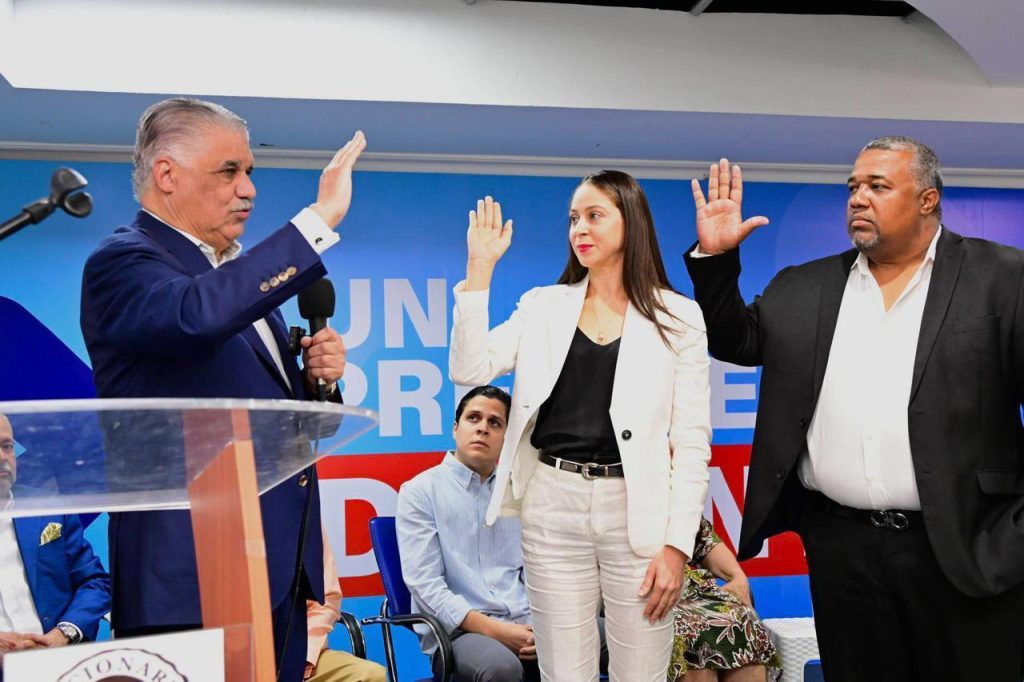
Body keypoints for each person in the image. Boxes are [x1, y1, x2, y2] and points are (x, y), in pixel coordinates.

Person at [683, 137, 1024, 681]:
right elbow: (735, 341)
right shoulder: (805, 285)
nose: (858, 198)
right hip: (843, 550)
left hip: (968, 546)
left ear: (928, 200)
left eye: (878, 186)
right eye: (853, 187)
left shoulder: (1002, 278)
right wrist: (717, 260)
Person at [80, 97, 364, 679]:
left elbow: (269, 415)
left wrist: (316, 384)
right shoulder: (124, 261)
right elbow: (196, 317)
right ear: (167, 175)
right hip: (189, 575)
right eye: (229, 170)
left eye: (249, 171)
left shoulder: (230, 273)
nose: (248, 189)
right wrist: (316, 222)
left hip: (273, 571)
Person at [449, 172, 713, 682]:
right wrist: (479, 271)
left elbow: (692, 443)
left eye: (594, 216)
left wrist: (677, 545)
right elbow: (469, 368)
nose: (579, 229)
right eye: (573, 218)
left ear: (631, 222)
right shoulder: (542, 306)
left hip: (637, 512)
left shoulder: (679, 317)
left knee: (642, 674)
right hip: (552, 503)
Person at [397, 385, 540, 682]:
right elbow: (425, 584)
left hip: (530, 622)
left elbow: (538, 572)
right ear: (455, 428)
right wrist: (500, 631)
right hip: (460, 634)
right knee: (501, 668)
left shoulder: (522, 491)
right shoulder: (420, 492)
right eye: (473, 418)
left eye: (495, 423)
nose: (483, 428)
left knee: (615, 638)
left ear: (508, 438)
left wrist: (544, 627)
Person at [0, 415, 111, 668]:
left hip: (57, 666)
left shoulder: (47, 507)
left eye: (7, 446)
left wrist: (63, 634)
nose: (2, 457)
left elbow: (94, 581)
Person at [669, 518, 780, 682]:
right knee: (694, 632)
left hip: (685, 587)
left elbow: (703, 539)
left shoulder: (673, 504)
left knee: (742, 619)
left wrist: (737, 576)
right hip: (639, 592)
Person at [305, 526, 386, 682]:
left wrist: (302, 656)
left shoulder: (304, 518)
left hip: (299, 654)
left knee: (370, 675)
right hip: (255, 658)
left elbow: (325, 600)